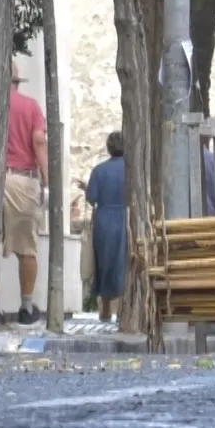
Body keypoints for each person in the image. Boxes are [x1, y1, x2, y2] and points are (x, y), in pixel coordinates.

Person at [2, 60, 48, 324]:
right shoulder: (30, 107)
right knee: (27, 248)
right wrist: (47, 177)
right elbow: (38, 141)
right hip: (23, 181)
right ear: (16, 83)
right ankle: (27, 307)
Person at [85, 131, 128, 323]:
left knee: (104, 261)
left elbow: (91, 197)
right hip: (126, 217)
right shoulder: (132, 169)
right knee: (125, 261)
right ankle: (124, 308)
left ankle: (105, 309)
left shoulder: (99, 170)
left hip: (104, 218)